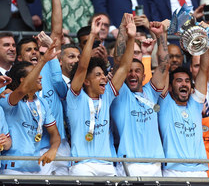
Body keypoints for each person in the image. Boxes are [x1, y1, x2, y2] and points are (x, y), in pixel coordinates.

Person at [66, 14, 135, 176]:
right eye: (98, 75)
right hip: (82, 165)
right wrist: (92, 35)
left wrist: (131, 38)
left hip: (106, 164)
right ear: (86, 81)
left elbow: (124, 67)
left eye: (103, 75)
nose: (104, 78)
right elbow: (82, 68)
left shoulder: (107, 95)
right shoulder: (75, 98)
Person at [110, 21, 168, 176]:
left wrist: (161, 35)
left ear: (144, 76)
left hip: (155, 164)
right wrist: (123, 31)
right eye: (128, 71)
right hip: (130, 165)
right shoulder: (119, 95)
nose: (133, 74)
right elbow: (118, 62)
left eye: (137, 71)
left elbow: (163, 65)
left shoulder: (151, 92)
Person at [0, 42, 61, 175]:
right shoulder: (8, 98)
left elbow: (55, 134)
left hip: (34, 168)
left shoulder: (43, 103)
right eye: (35, 74)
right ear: (23, 80)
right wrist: (43, 60)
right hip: (12, 167)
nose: (40, 77)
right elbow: (22, 90)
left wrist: (53, 149)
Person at [159, 45, 209, 177]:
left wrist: (204, 42)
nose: (184, 84)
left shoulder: (196, 104)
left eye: (187, 81)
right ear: (170, 87)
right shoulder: (165, 104)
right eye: (179, 81)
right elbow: (163, 66)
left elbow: (204, 70)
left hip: (199, 170)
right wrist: (162, 36)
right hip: (173, 171)